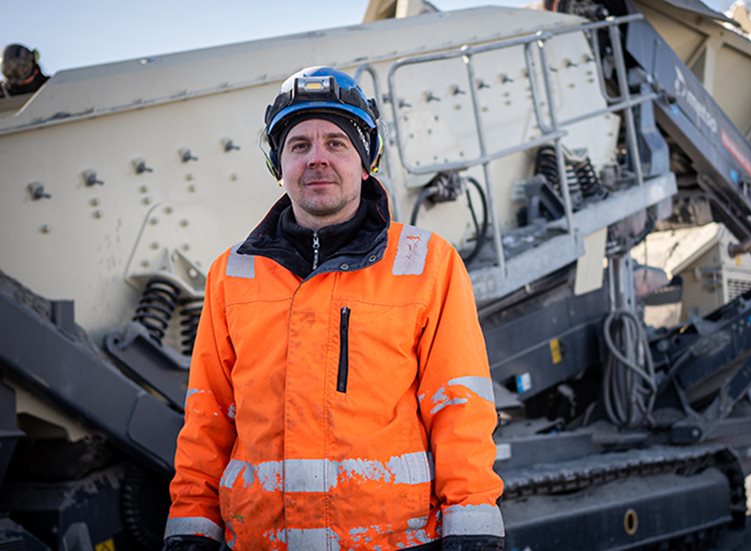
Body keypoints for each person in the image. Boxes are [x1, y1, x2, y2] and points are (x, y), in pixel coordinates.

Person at [163, 67, 504, 550]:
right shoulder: (232, 273)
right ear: (277, 165)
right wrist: (191, 527)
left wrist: (472, 526)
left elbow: (460, 410)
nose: (317, 158)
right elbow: (207, 417)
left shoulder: (427, 263)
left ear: (367, 163)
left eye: (337, 143)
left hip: (390, 542)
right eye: (299, 146)